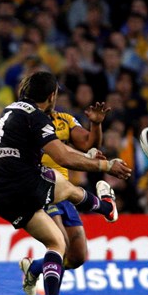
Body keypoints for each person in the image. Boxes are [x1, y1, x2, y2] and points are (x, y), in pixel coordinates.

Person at [0, 71, 132, 295]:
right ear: (52, 95)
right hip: (29, 185)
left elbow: (75, 146)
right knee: (63, 186)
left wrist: (90, 147)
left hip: (3, 195)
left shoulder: (10, 111)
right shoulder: (35, 116)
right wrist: (106, 166)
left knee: (61, 246)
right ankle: (105, 207)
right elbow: (63, 156)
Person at [41, 100, 111, 272]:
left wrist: (95, 125)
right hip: (41, 189)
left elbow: (89, 145)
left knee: (77, 256)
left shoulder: (65, 119)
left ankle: (34, 268)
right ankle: (50, 292)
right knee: (61, 245)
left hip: (63, 191)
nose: (52, 97)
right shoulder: (28, 121)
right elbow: (64, 157)